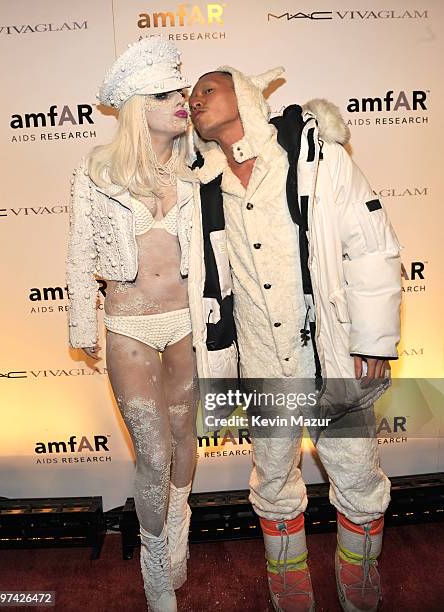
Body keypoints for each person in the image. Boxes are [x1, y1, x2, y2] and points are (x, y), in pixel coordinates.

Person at [187, 67, 402, 612]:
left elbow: (371, 245)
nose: (194, 101)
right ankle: (287, 574)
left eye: (207, 89)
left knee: (355, 470)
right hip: (261, 359)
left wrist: (372, 340)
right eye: (190, 95)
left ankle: (359, 571)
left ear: (246, 93)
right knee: (273, 474)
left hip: (329, 347)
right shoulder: (201, 179)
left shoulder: (314, 155)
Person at [66, 37, 198, 612]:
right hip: (129, 327)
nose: (182, 101)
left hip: (189, 324)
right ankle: (154, 568)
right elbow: (77, 255)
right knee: (152, 452)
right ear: (139, 104)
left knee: (186, 447)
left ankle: (178, 534)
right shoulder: (95, 172)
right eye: (167, 93)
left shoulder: (200, 171)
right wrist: (80, 327)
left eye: (182, 91)